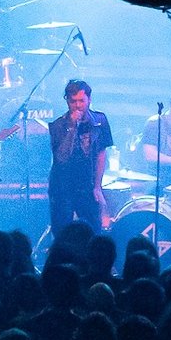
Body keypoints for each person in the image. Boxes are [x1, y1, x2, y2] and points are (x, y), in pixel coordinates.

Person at [47, 80, 114, 236]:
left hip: (87, 185)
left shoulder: (100, 121)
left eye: (81, 101)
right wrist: (72, 127)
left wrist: (97, 186)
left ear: (89, 100)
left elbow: (101, 154)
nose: (78, 105)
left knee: (93, 230)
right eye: (73, 101)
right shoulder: (58, 126)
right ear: (67, 101)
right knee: (62, 232)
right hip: (62, 186)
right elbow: (61, 157)